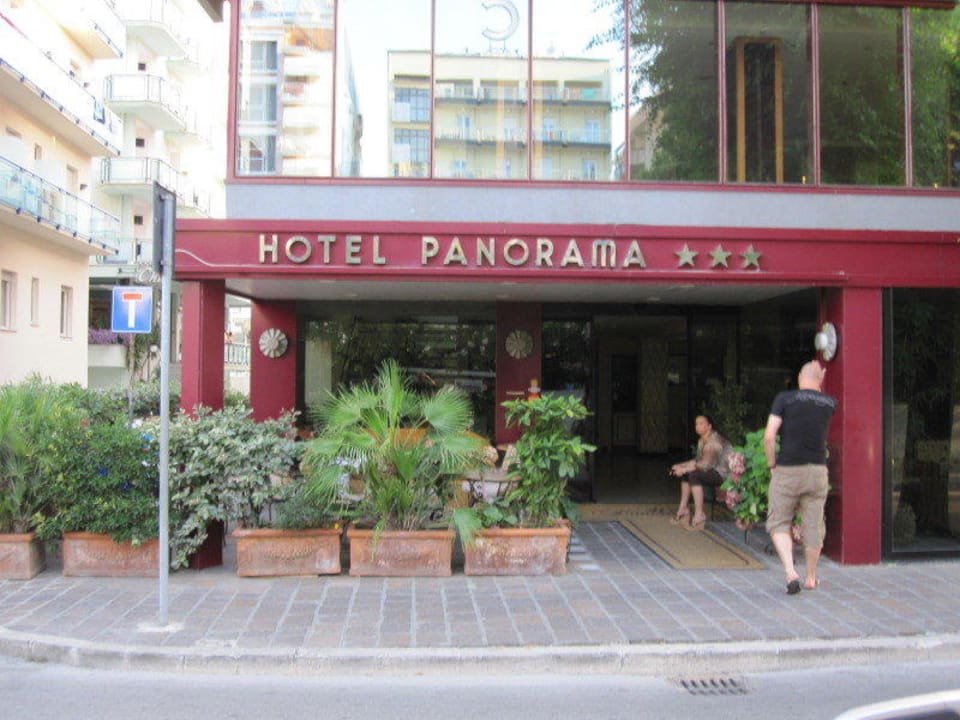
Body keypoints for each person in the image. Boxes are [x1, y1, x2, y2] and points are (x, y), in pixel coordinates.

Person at [763, 359, 837, 595]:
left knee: (779, 522)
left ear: (798, 378)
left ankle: (790, 572)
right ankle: (811, 577)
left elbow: (769, 436)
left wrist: (771, 464)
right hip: (817, 471)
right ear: (821, 379)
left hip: (788, 470)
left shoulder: (784, 399)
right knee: (813, 525)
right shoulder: (829, 403)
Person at [670, 414, 727, 531]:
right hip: (712, 470)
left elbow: (705, 465)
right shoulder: (702, 440)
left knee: (694, 475)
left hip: (723, 473)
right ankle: (683, 509)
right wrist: (681, 466)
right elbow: (698, 460)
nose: (697, 426)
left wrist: (684, 469)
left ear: (709, 426)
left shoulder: (714, 441)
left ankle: (699, 514)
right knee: (688, 473)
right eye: (696, 424)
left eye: (701, 423)